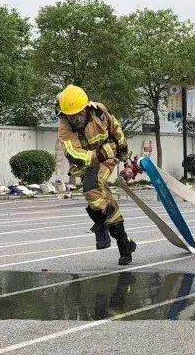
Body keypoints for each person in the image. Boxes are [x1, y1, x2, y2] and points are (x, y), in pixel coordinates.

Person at [57, 84, 136, 265]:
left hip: (107, 157)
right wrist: (95, 155)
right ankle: (124, 242)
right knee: (103, 199)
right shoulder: (64, 126)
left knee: (92, 188)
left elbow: (115, 129)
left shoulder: (99, 111)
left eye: (79, 113)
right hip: (86, 162)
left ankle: (101, 227)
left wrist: (123, 150)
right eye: (71, 115)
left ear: (86, 107)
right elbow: (72, 152)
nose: (76, 118)